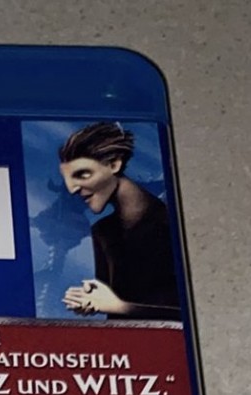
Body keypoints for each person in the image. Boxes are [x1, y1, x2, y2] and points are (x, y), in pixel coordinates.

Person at [58, 122, 181, 321]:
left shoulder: (172, 222)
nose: (73, 189)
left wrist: (122, 307)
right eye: (68, 180)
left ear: (114, 164)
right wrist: (92, 301)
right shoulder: (102, 231)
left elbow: (193, 311)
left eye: (82, 174)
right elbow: (112, 306)